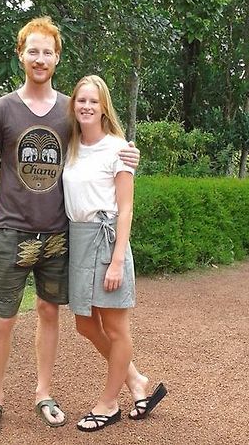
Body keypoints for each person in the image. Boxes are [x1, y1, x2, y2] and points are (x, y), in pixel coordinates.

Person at [0, 17, 140, 434]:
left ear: (57, 58)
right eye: (33, 51)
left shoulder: (68, 112)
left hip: (58, 233)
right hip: (11, 230)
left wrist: (129, 155)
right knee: (3, 319)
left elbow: (101, 141)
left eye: (47, 52)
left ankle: (44, 393)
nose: (40, 59)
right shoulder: (2, 109)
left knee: (50, 313)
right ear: (21, 55)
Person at [63, 75, 167, 432]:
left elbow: (126, 208)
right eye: (81, 101)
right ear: (73, 105)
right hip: (78, 239)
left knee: (115, 326)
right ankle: (136, 380)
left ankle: (108, 404)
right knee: (85, 324)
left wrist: (118, 259)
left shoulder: (118, 149)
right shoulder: (71, 146)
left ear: (104, 106)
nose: (86, 107)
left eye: (93, 101)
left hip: (107, 240)